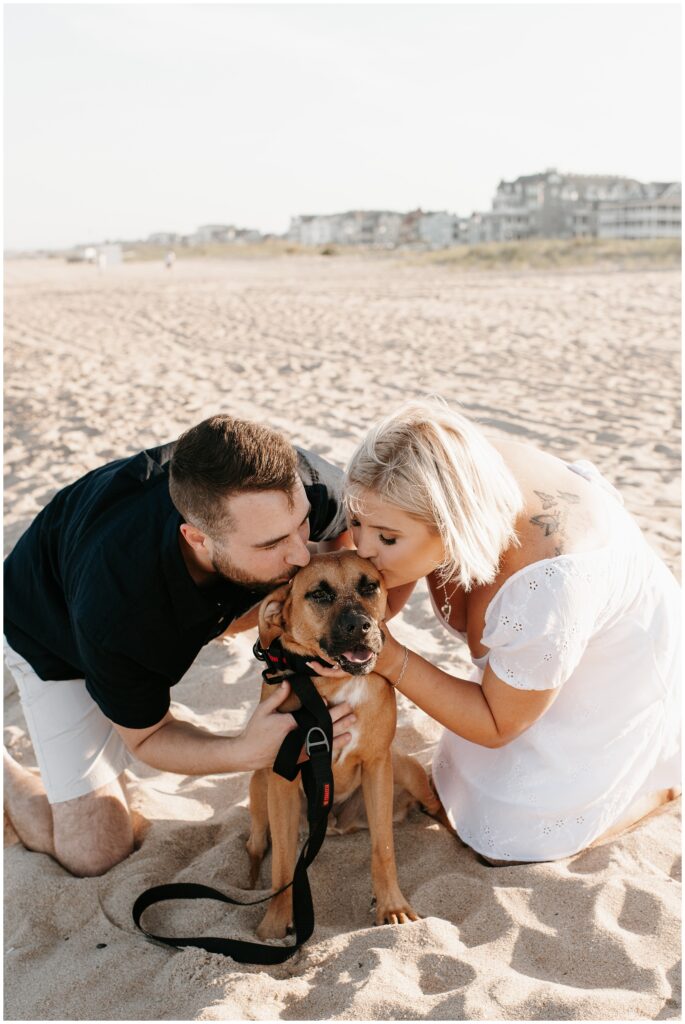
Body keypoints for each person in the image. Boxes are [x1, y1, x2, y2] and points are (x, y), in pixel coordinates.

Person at [310, 397, 681, 865]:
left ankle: (654, 787)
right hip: (538, 655)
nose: (363, 547)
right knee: (456, 794)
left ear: (454, 527)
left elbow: (496, 725)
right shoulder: (440, 465)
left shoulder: (547, 587)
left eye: (386, 538)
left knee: (506, 843)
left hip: (618, 664)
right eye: (358, 522)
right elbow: (384, 588)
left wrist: (389, 657)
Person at [3, 415, 358, 877]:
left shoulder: (300, 486)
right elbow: (149, 737)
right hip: (49, 628)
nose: (299, 553)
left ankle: (129, 690)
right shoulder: (119, 609)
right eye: (272, 543)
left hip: (165, 613)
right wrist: (243, 751)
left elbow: (363, 541)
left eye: (301, 524)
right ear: (197, 537)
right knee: (95, 853)